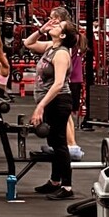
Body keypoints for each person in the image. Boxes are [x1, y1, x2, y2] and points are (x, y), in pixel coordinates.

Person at [30, 17, 77, 198]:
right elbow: (28, 43)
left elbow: (58, 84)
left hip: (59, 102)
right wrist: (41, 30)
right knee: (53, 143)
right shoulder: (51, 47)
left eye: (59, 26)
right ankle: (55, 181)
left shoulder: (61, 54)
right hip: (50, 102)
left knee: (60, 144)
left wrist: (40, 107)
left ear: (62, 35)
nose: (54, 25)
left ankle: (67, 187)